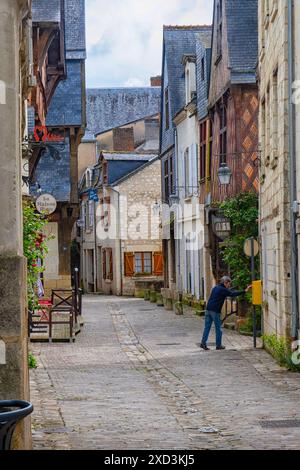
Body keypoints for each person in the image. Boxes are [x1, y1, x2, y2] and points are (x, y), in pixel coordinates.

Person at [200, 276, 252, 351]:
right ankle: (218, 345)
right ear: (225, 282)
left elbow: (228, 291)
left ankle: (203, 343)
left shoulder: (216, 287)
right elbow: (232, 294)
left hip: (208, 309)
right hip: (215, 311)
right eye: (228, 284)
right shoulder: (223, 290)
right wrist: (244, 291)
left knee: (207, 327)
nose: (229, 286)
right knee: (218, 328)